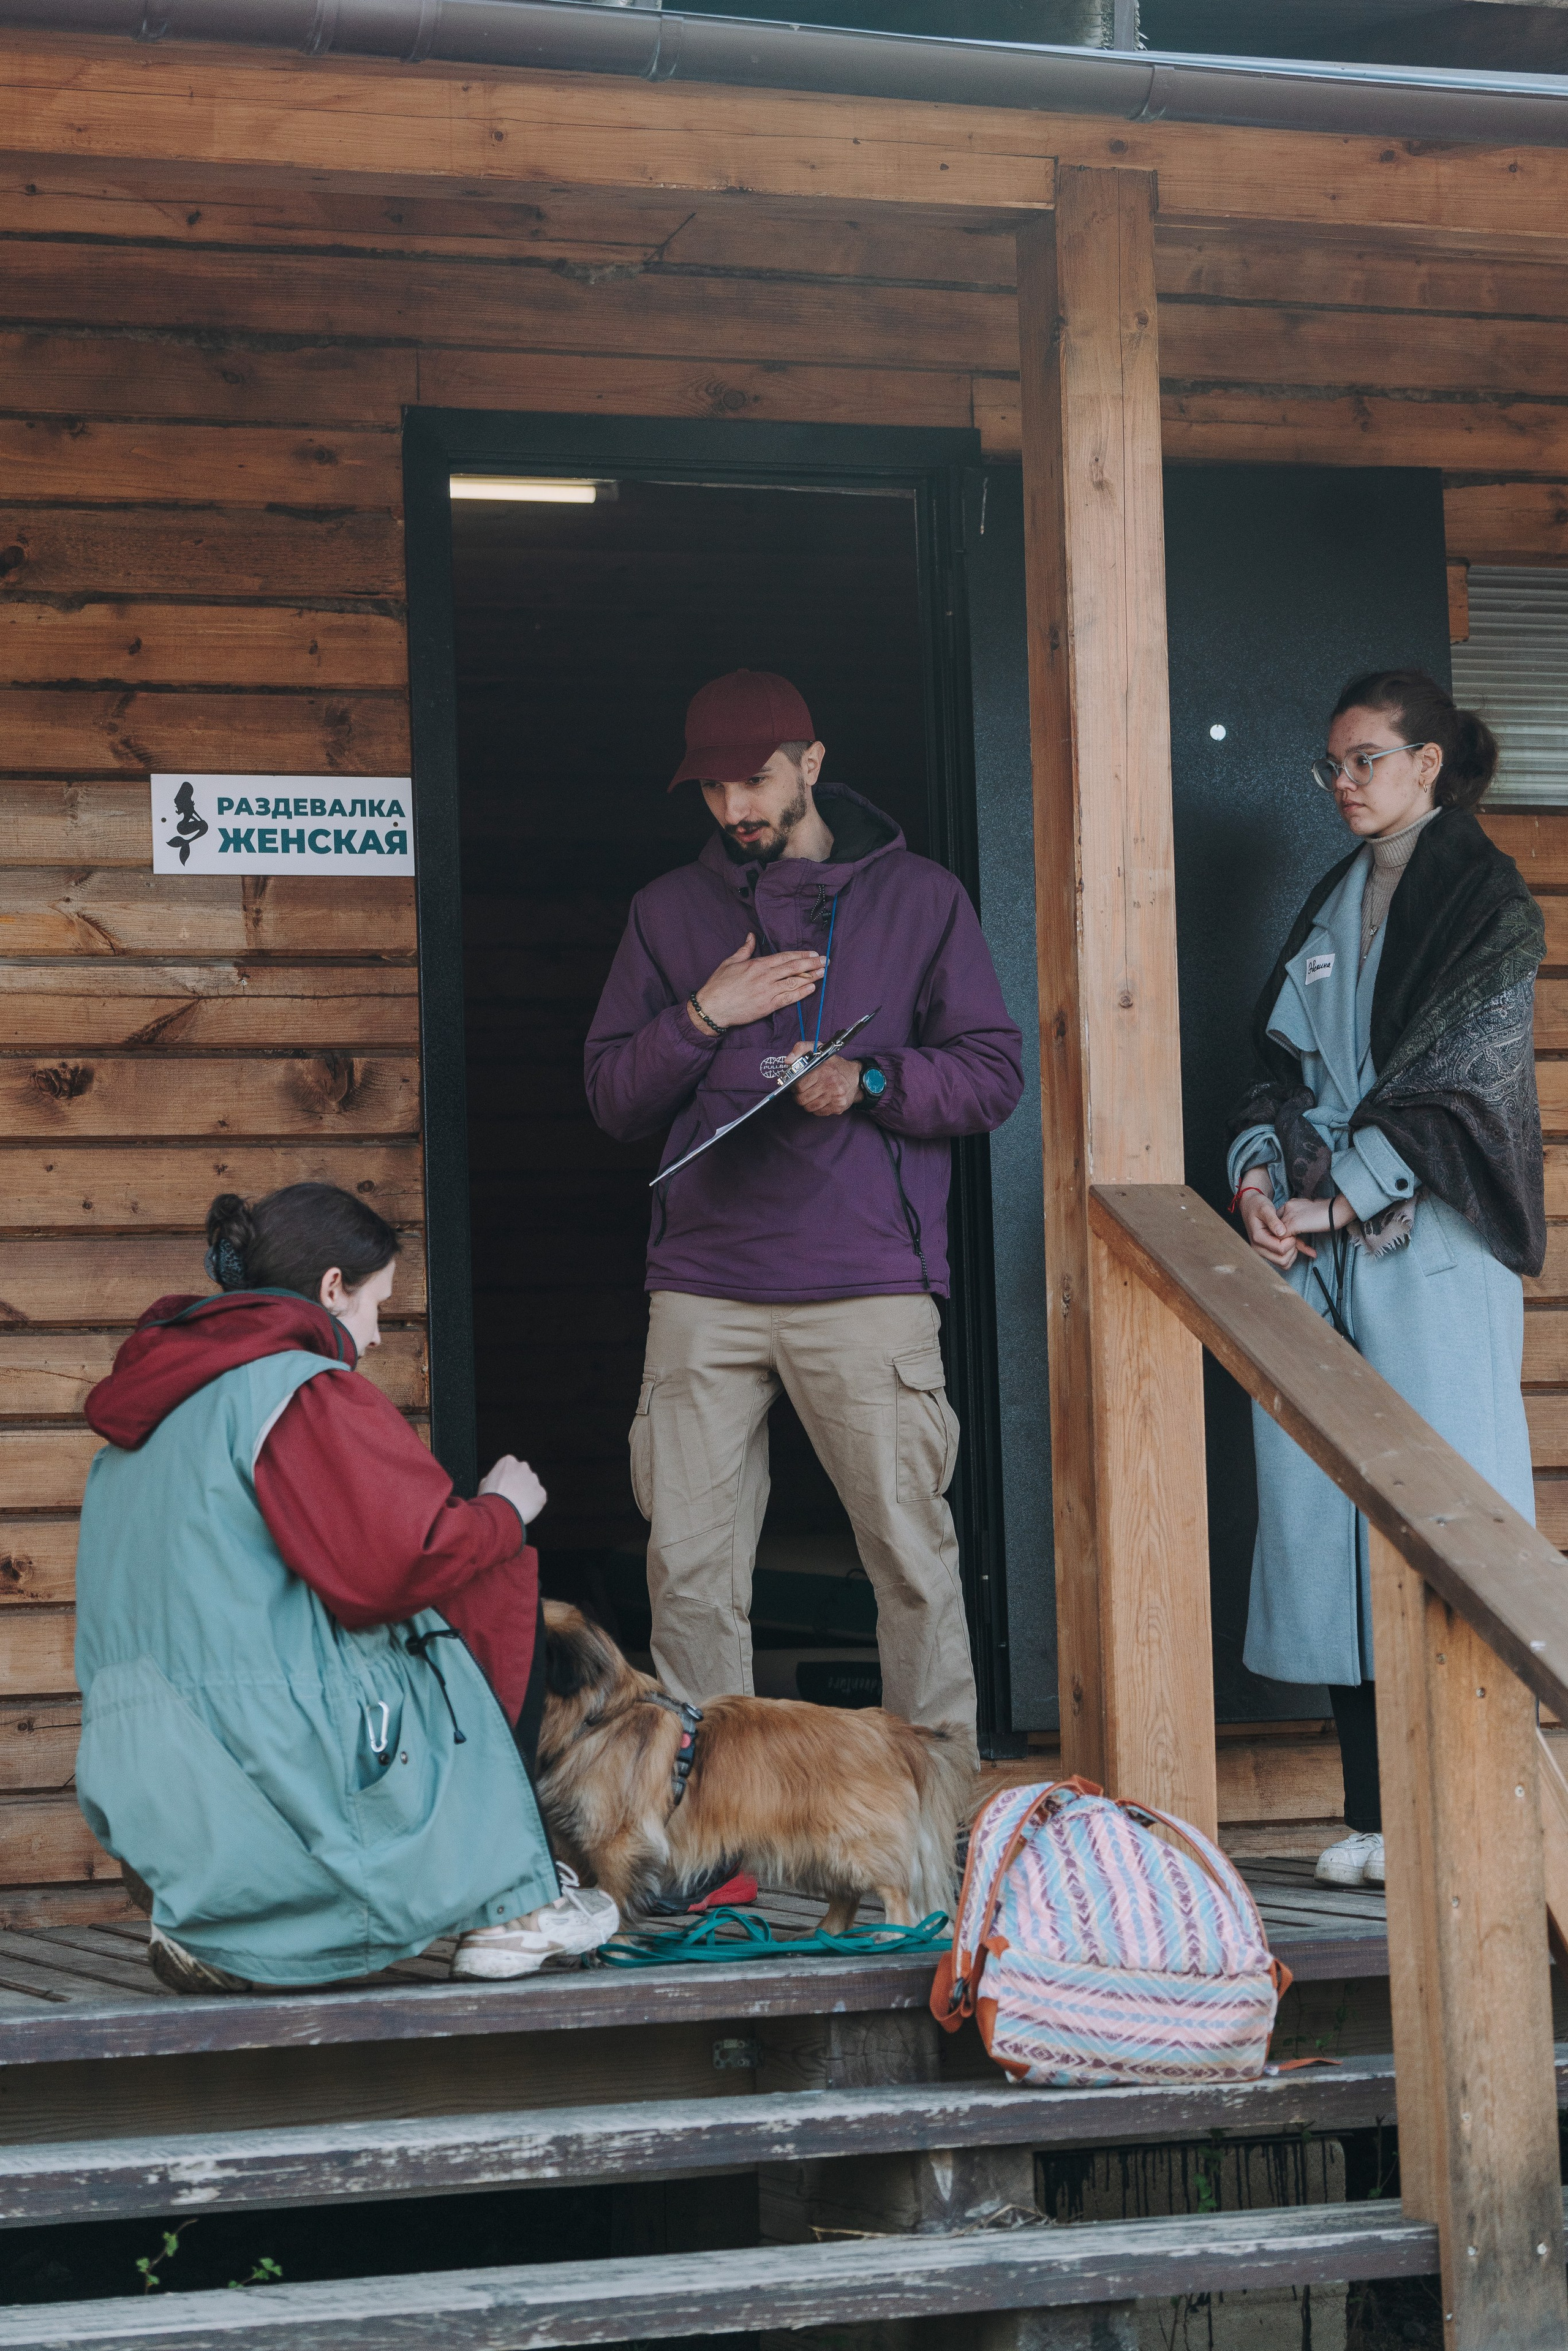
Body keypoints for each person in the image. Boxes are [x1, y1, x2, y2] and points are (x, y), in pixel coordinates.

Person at [585, 668, 1023, 1755]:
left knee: (911, 1562)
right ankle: (710, 1833)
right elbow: (610, 1098)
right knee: (689, 1571)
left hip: (867, 1280)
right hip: (702, 1286)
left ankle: (930, 1824)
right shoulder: (667, 911)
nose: (736, 806)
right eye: (714, 788)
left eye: (757, 779)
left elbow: (993, 1074)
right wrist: (703, 1014)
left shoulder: (922, 897)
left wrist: (872, 1081)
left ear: (811, 766)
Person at [74, 1182, 619, 1991]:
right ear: (333, 1287)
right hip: (280, 1752)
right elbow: (398, 1568)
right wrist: (506, 1509)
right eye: (378, 1308)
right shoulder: (298, 1387)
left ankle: (225, 1923)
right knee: (485, 1568)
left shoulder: (141, 1426)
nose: (371, 1337)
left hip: (150, 1771)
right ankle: (513, 1900)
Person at [1227, 670, 1544, 1889]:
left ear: (1427, 762)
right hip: (1319, 1254)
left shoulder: (1484, 897)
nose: (1343, 783)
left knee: (1448, 1521)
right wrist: (1261, 1175)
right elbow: (1270, 1062)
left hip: (1432, 1249)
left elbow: (1464, 1081)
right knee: (1326, 1529)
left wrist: (1339, 1187)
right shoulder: (1336, 893)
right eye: (1333, 764)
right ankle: (1369, 1809)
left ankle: (1469, 1806)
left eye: (1364, 758)